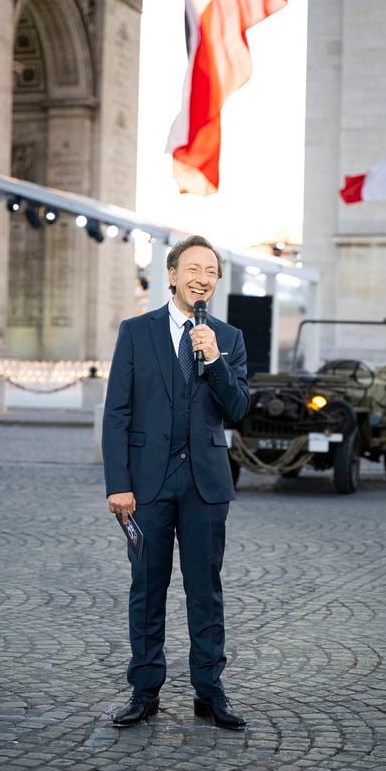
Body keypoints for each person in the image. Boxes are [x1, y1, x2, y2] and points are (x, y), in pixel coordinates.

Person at [102, 235, 249, 729]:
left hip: (207, 487)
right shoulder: (135, 331)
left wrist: (216, 362)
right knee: (147, 588)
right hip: (145, 486)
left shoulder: (228, 338)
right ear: (172, 274)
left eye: (211, 270)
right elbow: (117, 414)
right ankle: (144, 691)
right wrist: (118, 484)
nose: (202, 278)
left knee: (205, 590)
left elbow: (237, 409)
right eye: (193, 268)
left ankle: (209, 692)